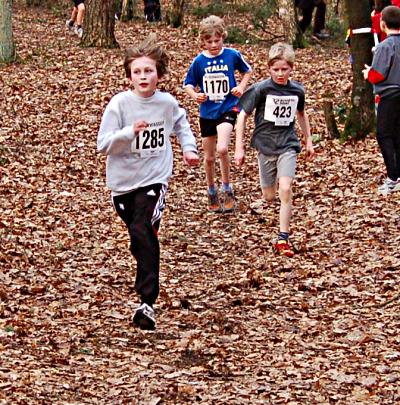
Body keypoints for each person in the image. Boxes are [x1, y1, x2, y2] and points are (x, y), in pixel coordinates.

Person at [97, 35, 199, 330]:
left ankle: (147, 301)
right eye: (137, 72)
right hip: (122, 183)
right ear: (129, 76)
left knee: (144, 227)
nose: (143, 76)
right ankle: (145, 277)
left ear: (160, 74)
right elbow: (103, 145)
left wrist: (189, 149)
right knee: (138, 235)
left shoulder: (166, 103)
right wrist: (129, 133)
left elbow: (181, 124)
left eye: (149, 71)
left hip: (154, 178)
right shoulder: (119, 104)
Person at [234, 43, 315, 258]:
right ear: (269, 69)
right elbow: (242, 116)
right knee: (269, 196)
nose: (280, 74)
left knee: (286, 189)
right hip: (265, 145)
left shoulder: (296, 90)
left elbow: (301, 113)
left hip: (288, 144)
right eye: (275, 69)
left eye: (284, 69)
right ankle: (272, 198)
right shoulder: (261, 89)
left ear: (291, 68)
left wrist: (308, 140)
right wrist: (239, 147)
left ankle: (283, 238)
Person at [183, 15, 252, 213]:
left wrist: (240, 87)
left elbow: (247, 71)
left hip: (228, 107)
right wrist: (195, 95)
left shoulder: (232, 55)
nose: (213, 44)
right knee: (210, 156)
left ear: (223, 37)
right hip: (207, 112)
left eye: (217, 40)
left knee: (223, 148)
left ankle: (227, 188)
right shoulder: (199, 61)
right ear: (202, 41)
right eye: (209, 41)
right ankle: (211, 190)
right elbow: (188, 83)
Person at [362, 6, 400, 195]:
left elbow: (377, 75)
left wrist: (368, 72)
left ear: (383, 24)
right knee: (397, 134)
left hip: (390, 96)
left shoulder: (386, 46)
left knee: (384, 134)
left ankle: (393, 177)